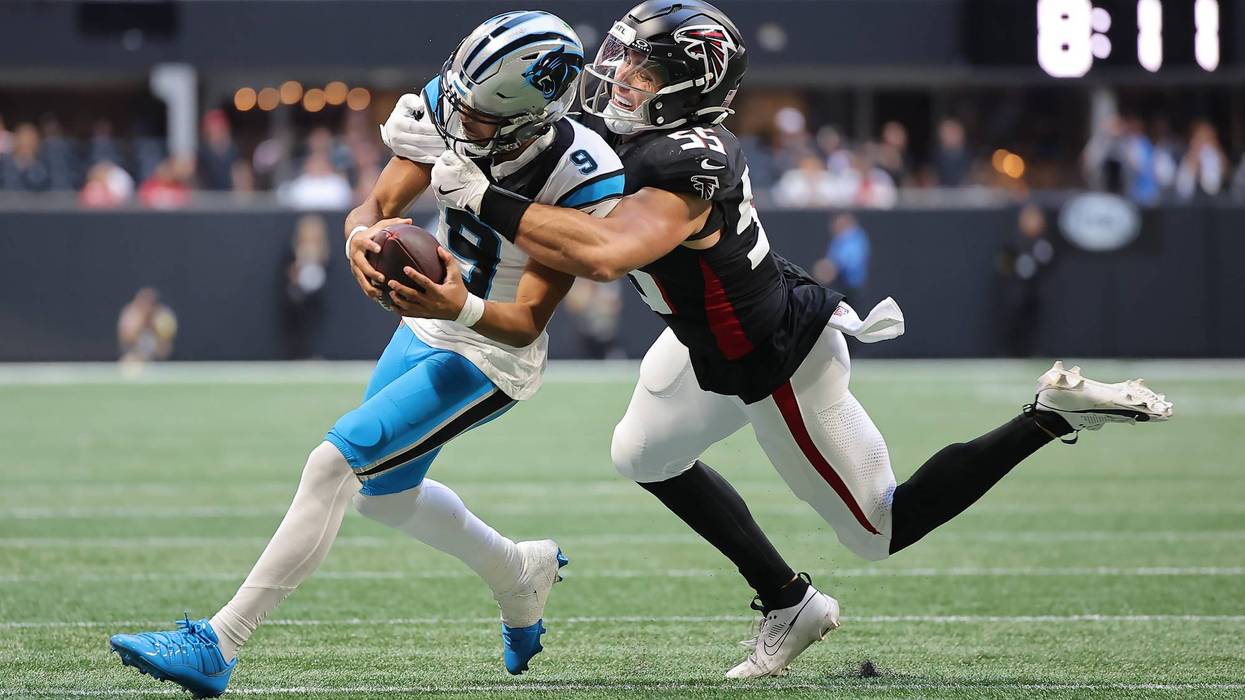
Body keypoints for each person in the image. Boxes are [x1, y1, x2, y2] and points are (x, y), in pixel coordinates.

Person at [415, 0, 1174, 679]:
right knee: (640, 453)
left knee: (878, 528)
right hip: (703, 338)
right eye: (624, 60)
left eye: (641, 70)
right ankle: (787, 601)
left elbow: (606, 255)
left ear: (688, 87)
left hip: (774, 360)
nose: (619, 78)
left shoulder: (689, 159)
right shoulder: (636, 134)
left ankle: (1047, 415)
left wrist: (485, 197)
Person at [107, 12, 625, 697]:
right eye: (457, 101)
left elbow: (526, 321)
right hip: (427, 326)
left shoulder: (577, 173)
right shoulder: (456, 102)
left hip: (490, 351)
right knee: (383, 498)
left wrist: (458, 307)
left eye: (476, 115)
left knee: (334, 462)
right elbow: (376, 203)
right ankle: (516, 572)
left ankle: (219, 643)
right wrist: (359, 236)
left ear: (534, 117)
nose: (456, 119)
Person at [997, 203, 1055, 357]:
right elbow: (1003, 264)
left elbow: (1050, 263)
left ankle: (1032, 351)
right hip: (1016, 290)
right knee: (1014, 321)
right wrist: (1015, 268)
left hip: (1036, 290)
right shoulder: (1014, 240)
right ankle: (1010, 352)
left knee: (1034, 322)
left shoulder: (1044, 241)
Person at [813, 213, 870, 302]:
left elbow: (851, 261)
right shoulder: (838, 240)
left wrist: (832, 267)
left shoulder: (855, 239)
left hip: (851, 286)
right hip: (839, 285)